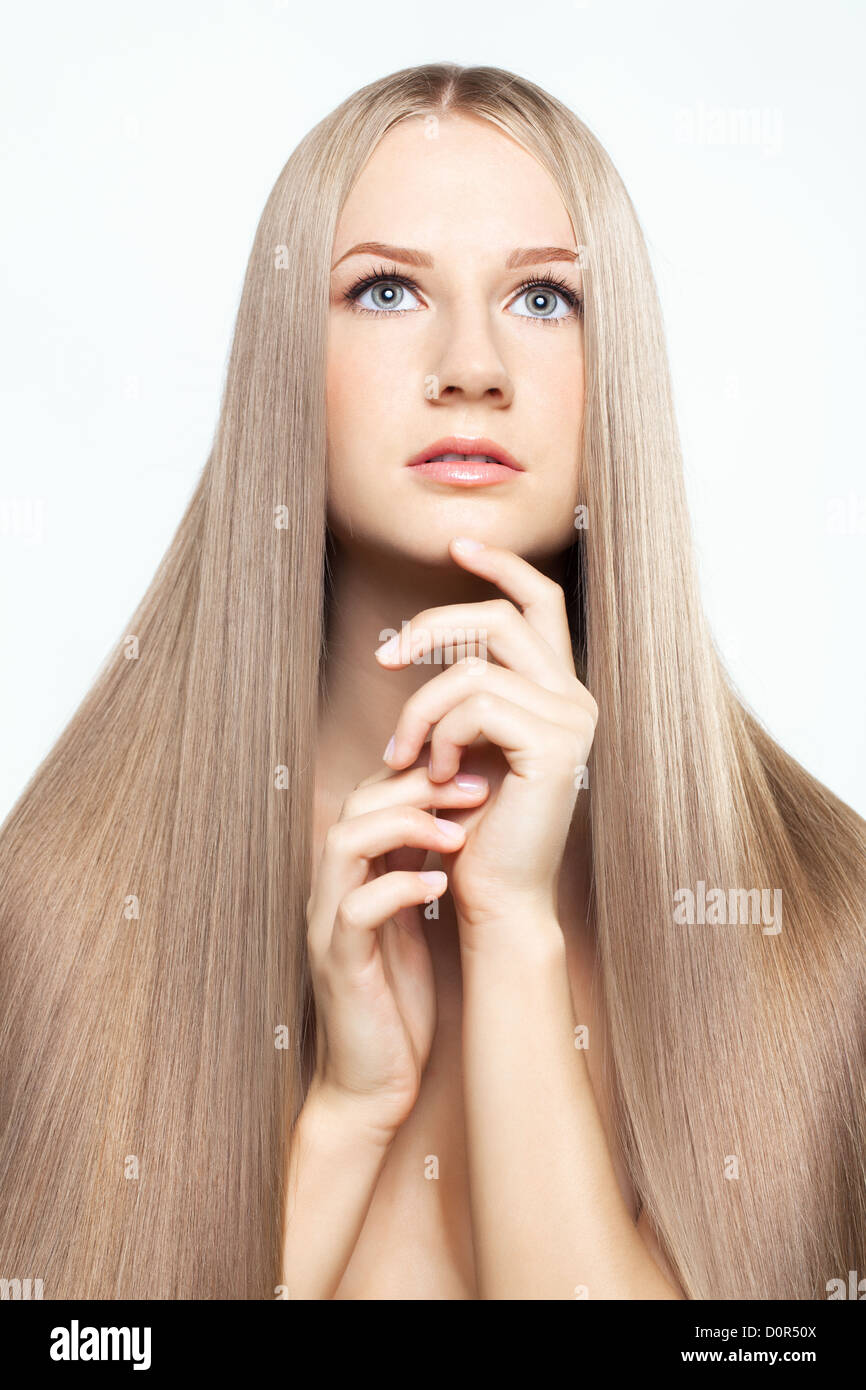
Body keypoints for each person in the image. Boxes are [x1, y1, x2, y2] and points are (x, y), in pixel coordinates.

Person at [1, 64, 864, 1301]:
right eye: (389, 289)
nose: (472, 364)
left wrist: (509, 937)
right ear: (283, 359)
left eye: (544, 296)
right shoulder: (67, 908)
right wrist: (347, 1124)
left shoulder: (823, 923)